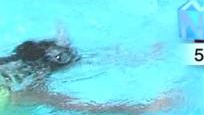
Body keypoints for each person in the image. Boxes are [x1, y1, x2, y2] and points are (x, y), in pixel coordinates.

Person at [2, 35, 176, 112]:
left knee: (75, 58)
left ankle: (140, 57)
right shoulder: (29, 92)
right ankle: (141, 57)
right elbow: (91, 108)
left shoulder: (14, 70)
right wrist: (148, 107)